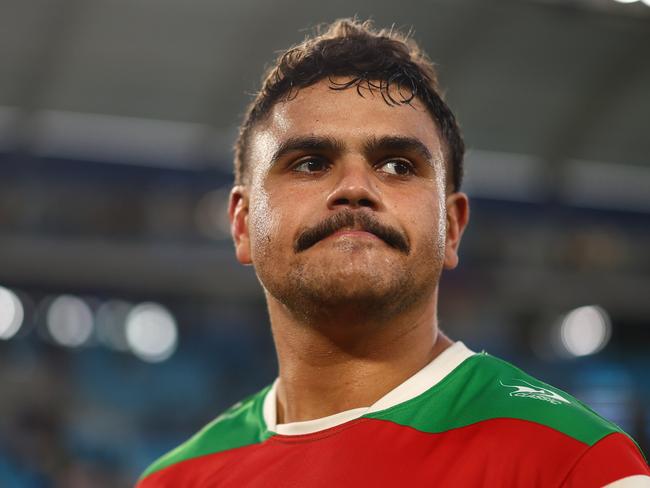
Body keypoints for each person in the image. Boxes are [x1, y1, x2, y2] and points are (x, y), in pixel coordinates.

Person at [137, 18, 649, 487]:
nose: (356, 188)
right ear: (242, 223)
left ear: (451, 227)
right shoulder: (176, 480)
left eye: (399, 166)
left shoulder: (576, 463)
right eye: (312, 163)